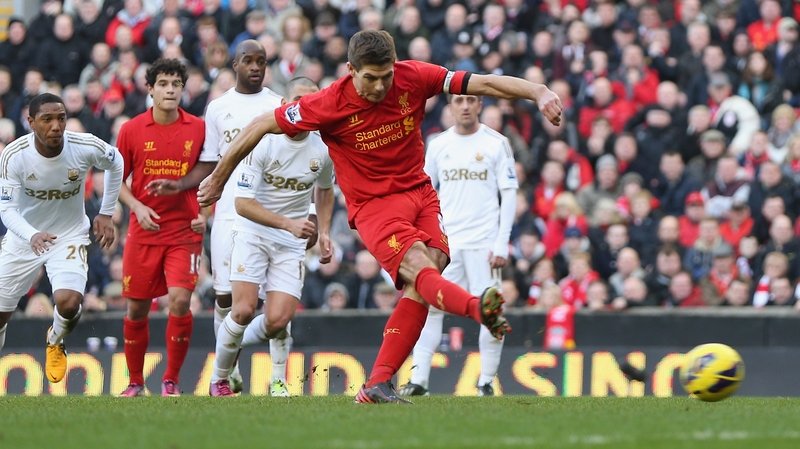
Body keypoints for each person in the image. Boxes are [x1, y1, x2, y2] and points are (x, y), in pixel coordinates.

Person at [198, 29, 562, 404]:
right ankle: (477, 308)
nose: (378, 86)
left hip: (420, 194)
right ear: (351, 70)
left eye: (385, 76)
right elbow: (260, 125)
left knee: (426, 276)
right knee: (420, 268)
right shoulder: (327, 103)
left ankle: (377, 383)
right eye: (369, 78)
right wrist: (218, 177)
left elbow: (482, 82)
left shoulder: (414, 76)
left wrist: (537, 90)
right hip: (375, 207)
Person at [157, 40, 286, 394]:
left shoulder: (277, 105)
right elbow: (211, 163)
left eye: (261, 61)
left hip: (267, 213)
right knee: (225, 297)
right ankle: (230, 370)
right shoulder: (218, 108)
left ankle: (275, 378)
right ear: (235, 64)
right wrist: (182, 185)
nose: (255, 67)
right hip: (228, 214)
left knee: (268, 296)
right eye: (248, 61)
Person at [208, 77, 334, 397]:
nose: (303, 107)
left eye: (310, 101)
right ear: (283, 105)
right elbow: (243, 203)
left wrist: (325, 229)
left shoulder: (321, 150)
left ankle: (240, 351)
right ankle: (220, 378)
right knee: (243, 310)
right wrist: (289, 224)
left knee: (278, 319)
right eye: (297, 100)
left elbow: (325, 189)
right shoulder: (262, 140)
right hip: (253, 233)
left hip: (290, 243)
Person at [399, 94, 518, 397]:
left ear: (480, 106)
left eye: (471, 100)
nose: (465, 106)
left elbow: (509, 194)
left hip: (484, 244)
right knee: (430, 307)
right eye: (459, 101)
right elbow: (424, 193)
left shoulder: (496, 142)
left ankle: (487, 381)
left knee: (490, 309)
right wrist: (423, 237)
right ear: (450, 107)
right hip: (446, 244)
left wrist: (502, 242)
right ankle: (419, 380)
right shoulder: (438, 144)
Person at [0, 93, 123, 383]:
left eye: (61, 118)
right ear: (31, 122)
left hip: (67, 236)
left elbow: (116, 162)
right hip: (24, 237)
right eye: (47, 119)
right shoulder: (14, 155)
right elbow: (6, 209)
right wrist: (31, 235)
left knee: (68, 303)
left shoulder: (84, 146)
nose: (56, 126)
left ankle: (55, 339)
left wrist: (105, 212)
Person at [115, 59, 206, 397]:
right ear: (150, 89)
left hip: (184, 231)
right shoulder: (131, 129)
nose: (170, 89)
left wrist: (204, 212)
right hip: (144, 232)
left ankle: (171, 380)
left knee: (180, 301)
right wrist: (136, 207)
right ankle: (136, 382)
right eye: (164, 83)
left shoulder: (198, 128)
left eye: (176, 84)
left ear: (183, 88)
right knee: (136, 308)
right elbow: (116, 180)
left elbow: (210, 174)